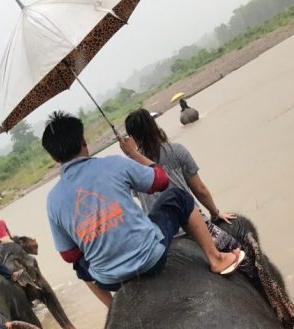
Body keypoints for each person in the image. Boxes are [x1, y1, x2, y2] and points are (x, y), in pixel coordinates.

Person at [41, 111, 244, 308]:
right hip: (151, 260)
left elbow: (68, 255)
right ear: (83, 142)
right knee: (179, 197)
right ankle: (216, 259)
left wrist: (94, 233)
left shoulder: (52, 200)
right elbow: (162, 181)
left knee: (79, 265)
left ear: (53, 158)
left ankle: (113, 308)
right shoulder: (116, 164)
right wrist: (132, 154)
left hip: (110, 280)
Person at [124, 108, 239, 253]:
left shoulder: (131, 168)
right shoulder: (176, 150)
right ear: (154, 126)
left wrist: (132, 153)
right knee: (238, 251)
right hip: (195, 227)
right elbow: (200, 190)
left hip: (162, 238)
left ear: (132, 137)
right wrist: (215, 213)